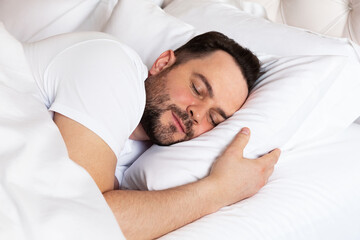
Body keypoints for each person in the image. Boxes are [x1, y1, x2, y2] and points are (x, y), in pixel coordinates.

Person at [24, 31, 280, 239]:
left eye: (214, 119)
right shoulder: (112, 64)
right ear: (162, 63)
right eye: (197, 88)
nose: (197, 113)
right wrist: (220, 190)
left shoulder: (140, 159)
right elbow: (83, 217)